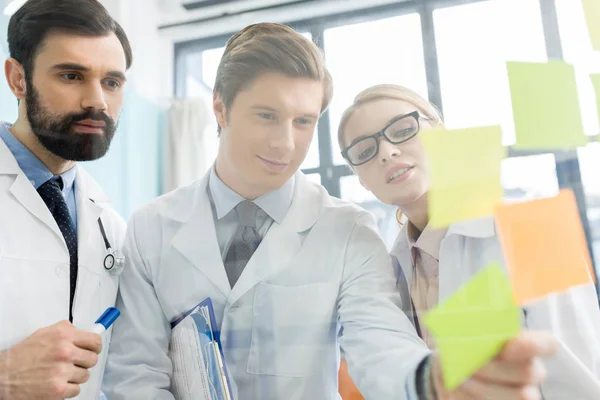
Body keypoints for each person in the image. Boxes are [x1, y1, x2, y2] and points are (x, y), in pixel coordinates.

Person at [103, 23, 556, 400]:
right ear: (219, 107)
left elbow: (377, 338)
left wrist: (427, 379)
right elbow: (136, 373)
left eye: (303, 122)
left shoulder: (351, 230)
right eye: (266, 115)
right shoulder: (152, 227)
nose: (286, 143)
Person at [337, 83, 600, 399]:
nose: (387, 152)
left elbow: (581, 379)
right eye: (365, 151)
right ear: (360, 179)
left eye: (404, 129)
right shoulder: (389, 268)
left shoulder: (533, 223)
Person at [0, 0, 132, 399]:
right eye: (72, 75)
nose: (98, 101)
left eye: (112, 82)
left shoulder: (111, 226)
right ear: (18, 79)